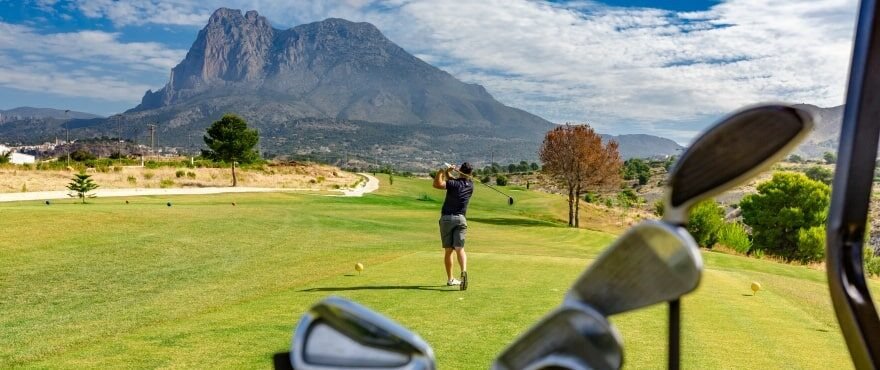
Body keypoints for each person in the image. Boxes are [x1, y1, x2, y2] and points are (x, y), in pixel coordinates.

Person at [433, 162, 474, 290]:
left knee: (449, 250)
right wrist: (448, 173)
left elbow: (437, 184)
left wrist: (441, 171)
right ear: (470, 173)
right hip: (461, 220)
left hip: (446, 219)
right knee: (459, 248)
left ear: (460, 170)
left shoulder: (453, 184)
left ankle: (450, 279)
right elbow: (454, 182)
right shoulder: (471, 185)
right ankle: (464, 271)